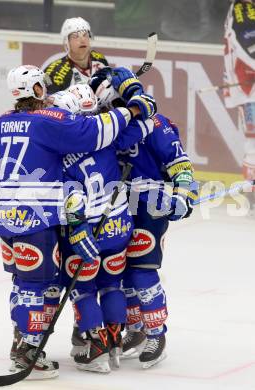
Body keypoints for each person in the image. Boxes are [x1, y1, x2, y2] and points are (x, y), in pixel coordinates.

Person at [0, 64, 153, 379]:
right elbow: (93, 132)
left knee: (21, 282)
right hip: (36, 216)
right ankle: (27, 355)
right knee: (38, 286)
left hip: (5, 216)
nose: (48, 94)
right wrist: (131, 108)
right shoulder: (51, 122)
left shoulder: (2, 123)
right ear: (37, 90)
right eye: (44, 88)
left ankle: (20, 341)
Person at [90, 67, 198, 369]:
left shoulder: (155, 124)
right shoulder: (107, 126)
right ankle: (135, 329)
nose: (108, 112)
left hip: (150, 204)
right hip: (117, 205)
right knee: (119, 271)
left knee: (142, 271)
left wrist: (183, 194)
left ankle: (156, 333)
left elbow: (179, 162)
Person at [53, 82, 156, 373]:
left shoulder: (60, 147)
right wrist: (139, 99)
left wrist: (78, 228)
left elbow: (71, 196)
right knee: (112, 284)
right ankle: (114, 342)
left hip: (88, 229)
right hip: (119, 225)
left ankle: (96, 349)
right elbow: (148, 122)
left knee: (83, 289)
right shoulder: (109, 134)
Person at [223, 0, 255, 212]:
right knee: (253, 144)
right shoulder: (242, 8)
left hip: (247, 88)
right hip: (248, 90)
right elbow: (248, 47)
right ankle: (252, 198)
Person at [43, 17, 109, 94]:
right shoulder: (54, 72)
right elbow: (48, 102)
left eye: (85, 35)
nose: (82, 40)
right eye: (75, 36)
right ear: (67, 42)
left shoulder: (99, 59)